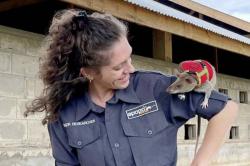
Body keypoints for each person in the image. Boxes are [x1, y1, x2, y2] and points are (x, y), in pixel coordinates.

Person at [24, 9, 238, 166]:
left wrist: (200, 162)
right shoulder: (66, 114)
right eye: (118, 66)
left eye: (129, 57)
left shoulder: (155, 88)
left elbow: (226, 108)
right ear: (88, 72)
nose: (131, 68)